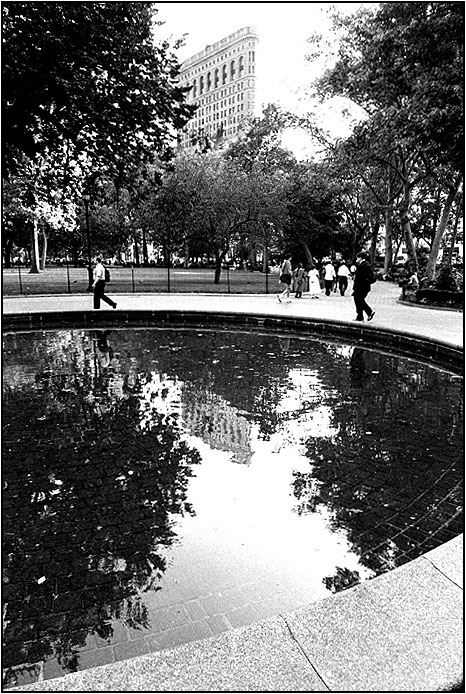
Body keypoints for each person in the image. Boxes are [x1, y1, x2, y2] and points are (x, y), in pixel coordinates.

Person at [352, 252, 376, 321]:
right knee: (359, 301)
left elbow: (359, 279)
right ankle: (360, 316)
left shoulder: (362, 266)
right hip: (364, 287)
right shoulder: (366, 265)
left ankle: (369, 312)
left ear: (360, 258)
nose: (356, 259)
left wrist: (355, 287)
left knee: (359, 300)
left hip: (361, 287)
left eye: (357, 258)